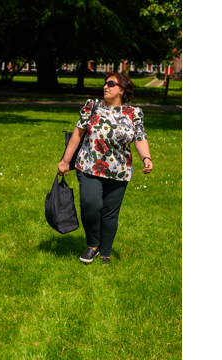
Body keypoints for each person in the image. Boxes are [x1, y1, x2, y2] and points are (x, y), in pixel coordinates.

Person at [57, 72, 153, 265]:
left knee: (110, 213)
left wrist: (146, 158)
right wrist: (65, 161)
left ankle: (105, 253)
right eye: (105, 83)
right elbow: (78, 133)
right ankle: (93, 244)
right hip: (89, 165)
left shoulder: (134, 113)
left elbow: (140, 137)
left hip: (119, 169)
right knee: (90, 205)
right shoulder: (92, 106)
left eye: (111, 83)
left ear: (122, 89)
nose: (105, 86)